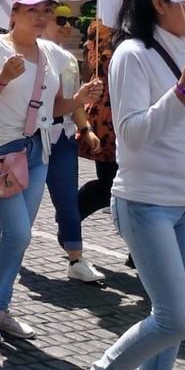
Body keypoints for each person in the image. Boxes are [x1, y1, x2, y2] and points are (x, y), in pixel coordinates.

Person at [67, 0, 185, 370]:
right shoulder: (132, 55)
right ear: (160, 2)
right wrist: (182, 92)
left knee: (173, 320)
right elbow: (134, 137)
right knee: (177, 316)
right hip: (144, 200)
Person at [0, 0, 102, 344]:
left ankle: (0, 306)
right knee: (17, 233)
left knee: (17, 238)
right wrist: (2, 77)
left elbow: (52, 109)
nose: (42, 17)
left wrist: (79, 99)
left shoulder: (55, 55)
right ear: (12, 15)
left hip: (36, 152)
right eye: (32, 10)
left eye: (47, 11)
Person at [44, 6, 105, 283]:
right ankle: (4, 242)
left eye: (70, 20)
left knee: (68, 201)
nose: (67, 25)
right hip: (27, 139)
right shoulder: (21, 56)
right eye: (61, 19)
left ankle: (76, 258)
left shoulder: (69, 60)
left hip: (62, 140)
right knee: (19, 206)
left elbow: (74, 102)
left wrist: (86, 128)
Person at [79, 19, 119, 225]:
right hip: (108, 116)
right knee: (110, 184)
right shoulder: (102, 30)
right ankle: (71, 215)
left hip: (117, 110)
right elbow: (91, 69)